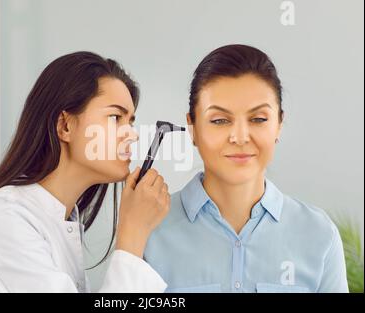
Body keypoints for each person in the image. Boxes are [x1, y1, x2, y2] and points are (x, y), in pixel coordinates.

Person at [0, 52, 170, 293]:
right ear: (65, 126)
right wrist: (132, 235)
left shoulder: (55, 218)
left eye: (131, 122)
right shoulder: (2, 223)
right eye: (115, 117)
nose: (132, 134)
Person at [144, 44, 348, 293]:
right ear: (193, 128)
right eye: (219, 120)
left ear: (279, 124)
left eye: (258, 119)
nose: (240, 137)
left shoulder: (319, 236)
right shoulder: (149, 231)